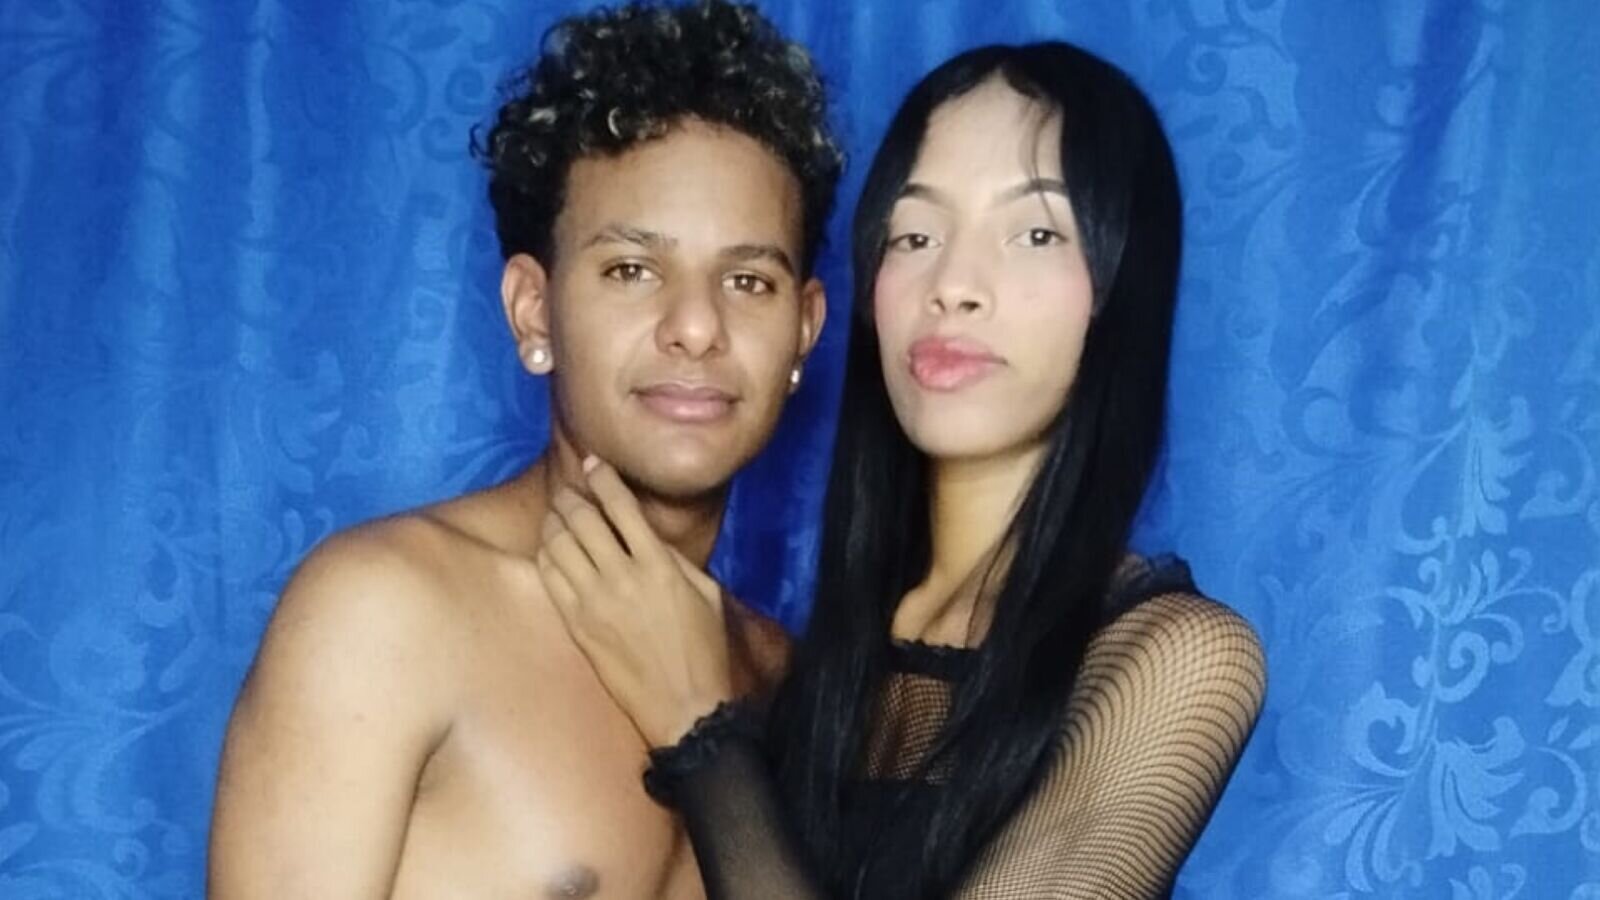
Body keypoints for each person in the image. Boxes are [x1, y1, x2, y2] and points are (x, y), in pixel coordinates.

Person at [538, 42, 1268, 899]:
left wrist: (699, 728)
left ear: (1119, 288)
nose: (953, 284)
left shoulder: (1179, 658)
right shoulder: (790, 662)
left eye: (1035, 233)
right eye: (916, 234)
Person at [207, 2, 841, 896]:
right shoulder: (387, 614)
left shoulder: (791, 684)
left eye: (748, 280)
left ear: (803, 331)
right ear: (533, 312)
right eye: (632, 270)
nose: (697, 327)